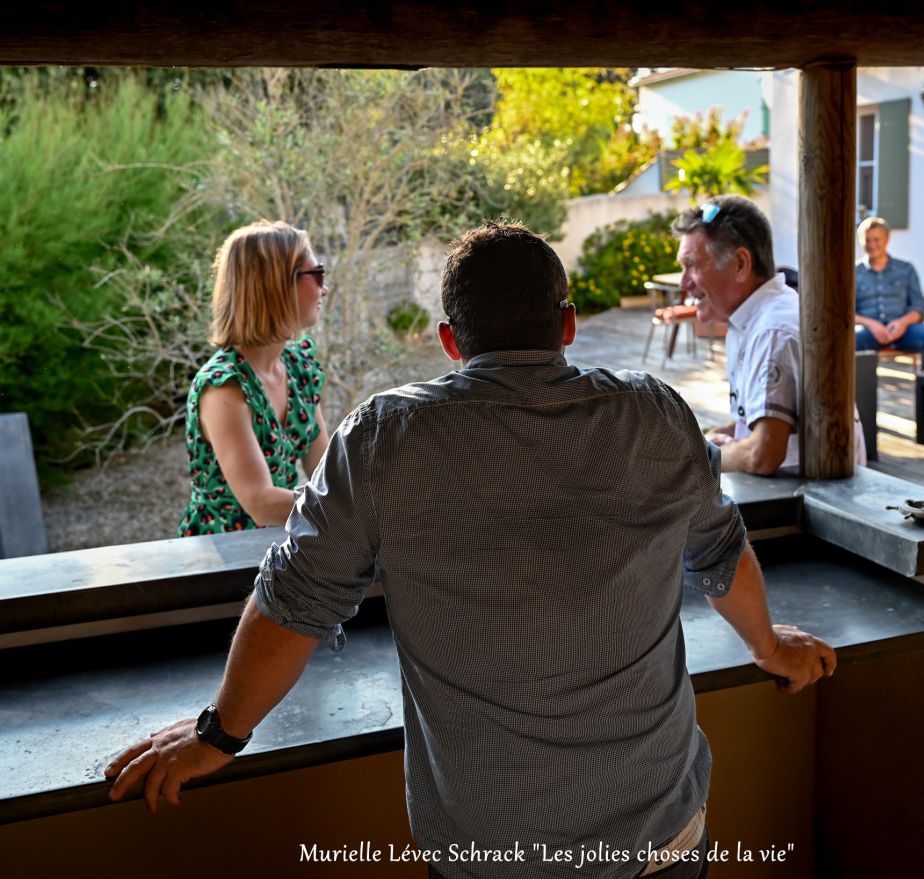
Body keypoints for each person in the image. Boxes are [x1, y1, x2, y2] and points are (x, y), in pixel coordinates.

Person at [106, 221, 835, 879]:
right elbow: (721, 551)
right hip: (660, 839)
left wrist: (218, 733)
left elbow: (291, 602)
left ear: (451, 341)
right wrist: (770, 646)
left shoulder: (384, 439)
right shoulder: (656, 414)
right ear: (570, 325)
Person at [673, 197, 865, 474]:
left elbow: (763, 454)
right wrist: (719, 437)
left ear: (740, 264)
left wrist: (707, 455)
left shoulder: (772, 331)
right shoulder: (753, 317)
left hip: (810, 505)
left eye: (692, 265)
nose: (684, 282)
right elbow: (755, 426)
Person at [177, 220, 330, 536]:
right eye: (316, 274)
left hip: (277, 547)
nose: (323, 288)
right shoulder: (223, 388)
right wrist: (355, 507)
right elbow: (261, 502)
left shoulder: (298, 365)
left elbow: (325, 474)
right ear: (275, 284)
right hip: (221, 563)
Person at [854, 216, 924, 425]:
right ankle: (860, 405)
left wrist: (903, 322)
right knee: (852, 341)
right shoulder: (854, 272)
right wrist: (870, 324)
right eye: (867, 240)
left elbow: (918, 307)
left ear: (886, 240)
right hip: (869, 332)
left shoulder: (906, 269)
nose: (872, 245)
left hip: (904, 329)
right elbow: (846, 311)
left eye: (876, 239)